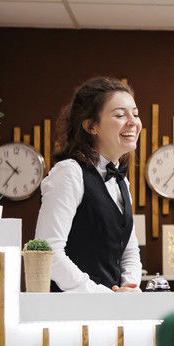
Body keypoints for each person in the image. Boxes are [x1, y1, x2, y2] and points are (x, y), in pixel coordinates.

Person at [35, 76, 142, 293]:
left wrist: (129, 289)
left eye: (135, 113)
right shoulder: (69, 173)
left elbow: (129, 252)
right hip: (72, 312)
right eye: (120, 115)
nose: (133, 121)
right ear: (91, 126)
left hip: (110, 311)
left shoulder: (122, 181)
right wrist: (101, 295)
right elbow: (50, 252)